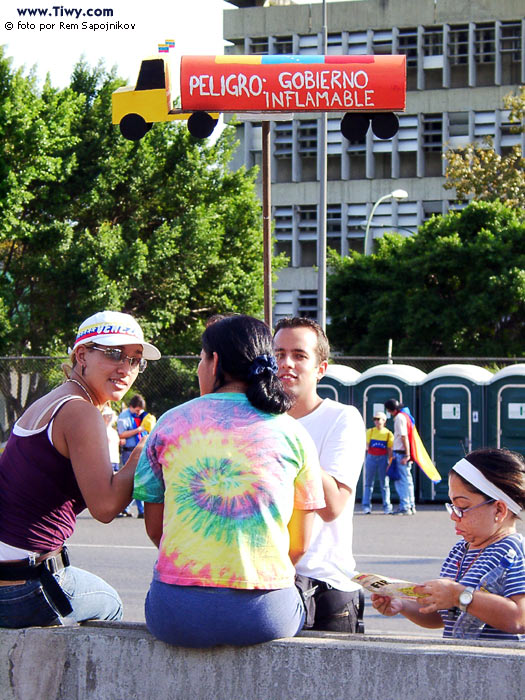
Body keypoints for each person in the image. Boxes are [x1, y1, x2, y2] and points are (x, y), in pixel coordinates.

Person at [134, 314, 325, 647]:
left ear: (215, 362)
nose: (198, 368)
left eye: (200, 359)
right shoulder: (295, 433)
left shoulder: (168, 424)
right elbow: (299, 545)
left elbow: (155, 530)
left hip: (175, 614)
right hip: (265, 615)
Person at [0, 310, 160, 628]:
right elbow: (105, 507)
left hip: (13, 576)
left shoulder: (52, 400)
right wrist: (142, 451)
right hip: (25, 587)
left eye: (134, 359)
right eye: (114, 353)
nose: (125, 368)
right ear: (81, 355)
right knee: (112, 606)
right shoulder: (80, 412)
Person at [371, 448, 525, 641]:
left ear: (499, 510)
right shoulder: (460, 551)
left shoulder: (514, 552)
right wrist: (402, 604)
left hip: (498, 667)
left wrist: (458, 595)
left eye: (462, 508)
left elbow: (519, 618)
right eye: (452, 506)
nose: (453, 516)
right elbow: (442, 616)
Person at [273, 317, 366, 632]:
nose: (286, 363)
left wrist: (290, 430)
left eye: (299, 355)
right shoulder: (259, 420)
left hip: (324, 588)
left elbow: (332, 506)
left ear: (320, 368)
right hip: (269, 583)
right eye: (278, 353)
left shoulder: (342, 418)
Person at [117, 394, 148, 518]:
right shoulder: (124, 417)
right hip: (129, 451)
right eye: (137, 409)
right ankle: (126, 508)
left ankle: (140, 510)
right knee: (131, 480)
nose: (139, 412)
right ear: (131, 407)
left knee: (141, 480)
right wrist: (137, 430)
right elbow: (121, 434)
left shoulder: (143, 416)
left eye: (141, 410)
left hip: (141, 450)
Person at [384, 398, 415, 515]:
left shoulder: (399, 418)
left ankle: (405, 506)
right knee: (408, 480)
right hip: (404, 452)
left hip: (400, 453)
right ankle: (411, 505)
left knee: (401, 481)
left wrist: (407, 455)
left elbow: (403, 436)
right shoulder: (405, 416)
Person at [362, 411, 393, 515]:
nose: (377, 421)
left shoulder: (388, 433)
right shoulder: (370, 432)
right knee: (368, 483)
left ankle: (387, 507)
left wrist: (390, 461)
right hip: (371, 458)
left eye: (379, 419)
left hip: (383, 459)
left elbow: (390, 449)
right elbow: (366, 446)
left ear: (384, 421)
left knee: (384, 484)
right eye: (375, 419)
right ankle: (366, 506)